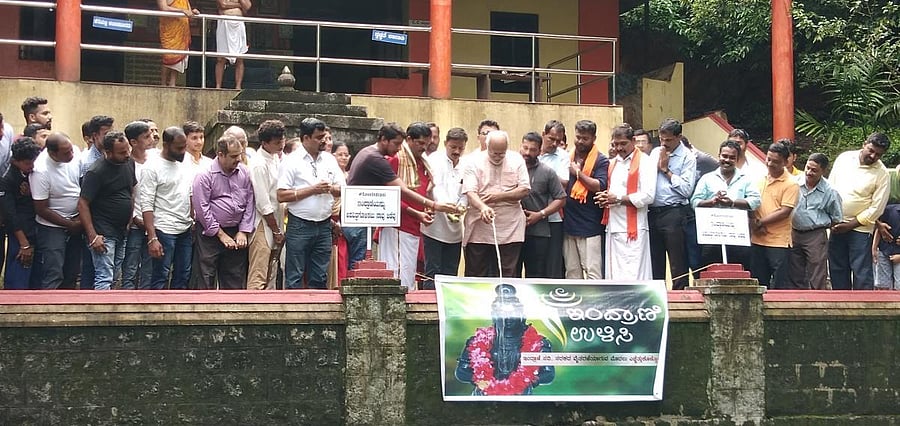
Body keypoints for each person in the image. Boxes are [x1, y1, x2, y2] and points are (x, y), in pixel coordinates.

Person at [276, 118, 345, 289]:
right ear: (305, 138)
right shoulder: (291, 160)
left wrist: (330, 188)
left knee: (320, 275)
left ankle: (318, 312)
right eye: (319, 137)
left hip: (324, 224)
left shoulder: (329, 159)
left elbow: (343, 189)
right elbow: (281, 195)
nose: (324, 141)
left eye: (324, 136)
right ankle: (294, 312)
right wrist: (313, 189)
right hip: (299, 223)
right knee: (295, 275)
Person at [454, 284, 554, 396]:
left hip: (521, 396)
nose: (508, 318)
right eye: (502, 314)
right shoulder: (477, 341)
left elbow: (548, 373)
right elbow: (461, 372)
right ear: (494, 315)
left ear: (522, 315)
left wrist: (529, 380)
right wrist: (476, 380)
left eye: (513, 313)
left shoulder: (539, 343)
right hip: (485, 396)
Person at [461, 130, 530, 278]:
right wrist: (483, 207)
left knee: (508, 272)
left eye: (502, 153)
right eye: (494, 153)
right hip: (480, 225)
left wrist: (498, 197)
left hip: (510, 226)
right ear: (487, 146)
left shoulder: (517, 159)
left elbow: (524, 189)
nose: (498, 157)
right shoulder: (474, 161)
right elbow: (470, 191)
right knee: (476, 271)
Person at [829, 132, 891, 290]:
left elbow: (877, 208)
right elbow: (831, 188)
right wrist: (832, 219)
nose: (873, 156)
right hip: (836, 223)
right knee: (837, 268)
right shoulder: (844, 158)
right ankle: (839, 307)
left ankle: (863, 309)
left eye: (878, 154)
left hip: (860, 228)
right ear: (864, 144)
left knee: (861, 271)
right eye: (871, 150)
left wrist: (850, 225)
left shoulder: (882, 173)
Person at [193, 135, 256, 290]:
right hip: (210, 233)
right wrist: (220, 234)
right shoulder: (205, 175)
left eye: (241, 154)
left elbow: (250, 203)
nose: (239, 159)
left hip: (236, 231)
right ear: (220, 155)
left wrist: (243, 231)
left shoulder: (244, 172)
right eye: (234, 156)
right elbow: (202, 208)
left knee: (235, 278)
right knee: (206, 276)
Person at [78, 131, 136, 291]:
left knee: (115, 276)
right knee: (104, 276)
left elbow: (130, 191)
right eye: (122, 152)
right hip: (103, 232)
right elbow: (82, 203)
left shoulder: (129, 163)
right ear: (108, 152)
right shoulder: (96, 171)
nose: (127, 155)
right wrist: (92, 235)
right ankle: (100, 313)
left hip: (122, 230)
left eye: (128, 150)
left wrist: (129, 220)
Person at [597, 123, 656, 280]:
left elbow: (648, 196)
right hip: (614, 226)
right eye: (615, 144)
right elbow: (611, 192)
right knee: (614, 273)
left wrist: (616, 199)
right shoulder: (612, 163)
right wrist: (605, 199)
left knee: (635, 273)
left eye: (623, 143)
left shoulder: (645, 161)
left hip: (635, 228)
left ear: (633, 141)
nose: (619, 148)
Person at [380, 122, 434, 291]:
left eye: (427, 144)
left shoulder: (422, 163)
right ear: (409, 140)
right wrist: (416, 212)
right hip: (398, 224)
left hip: (414, 225)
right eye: (420, 143)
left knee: (409, 273)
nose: (424, 148)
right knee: (397, 273)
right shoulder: (396, 159)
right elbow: (390, 195)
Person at [690, 140, 761, 267]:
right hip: (712, 235)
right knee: (711, 271)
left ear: (738, 159)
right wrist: (712, 201)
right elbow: (694, 202)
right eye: (724, 156)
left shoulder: (745, 179)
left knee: (738, 271)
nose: (727, 160)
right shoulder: (707, 178)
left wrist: (733, 203)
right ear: (719, 155)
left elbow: (755, 201)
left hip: (737, 236)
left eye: (732, 157)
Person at [140, 127, 195, 290]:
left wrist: (193, 219)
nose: (183, 151)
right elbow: (146, 204)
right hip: (163, 229)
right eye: (179, 147)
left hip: (185, 228)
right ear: (166, 144)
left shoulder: (186, 162)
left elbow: (189, 193)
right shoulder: (152, 167)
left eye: (184, 146)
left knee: (183, 274)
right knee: (160, 276)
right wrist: (152, 238)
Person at [30, 132, 83, 289]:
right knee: (53, 272)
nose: (71, 154)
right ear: (52, 153)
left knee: (72, 271)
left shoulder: (74, 154)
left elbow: (80, 183)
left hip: (76, 221)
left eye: (71, 149)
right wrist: (68, 224)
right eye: (66, 153)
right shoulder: (41, 170)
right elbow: (41, 208)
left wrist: (79, 219)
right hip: (52, 227)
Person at [648, 119, 696, 289]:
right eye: (662, 139)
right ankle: (656, 296)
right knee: (654, 259)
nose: (664, 143)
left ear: (678, 137)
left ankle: (679, 296)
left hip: (674, 212)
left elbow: (686, 190)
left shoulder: (688, 157)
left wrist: (666, 170)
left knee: (677, 260)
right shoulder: (655, 153)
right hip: (652, 211)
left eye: (668, 140)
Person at [748, 142, 799, 289]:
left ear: (785, 162)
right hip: (757, 238)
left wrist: (760, 223)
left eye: (775, 161)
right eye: (768, 159)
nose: (770, 164)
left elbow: (785, 211)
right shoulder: (759, 177)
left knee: (779, 284)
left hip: (778, 241)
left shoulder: (791, 183)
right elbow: (752, 202)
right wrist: (754, 223)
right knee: (758, 282)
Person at [788, 153, 842, 289]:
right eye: (808, 168)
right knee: (794, 270)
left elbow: (837, 217)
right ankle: (796, 302)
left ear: (823, 171)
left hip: (815, 234)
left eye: (814, 170)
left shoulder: (830, 191)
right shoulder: (793, 182)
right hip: (793, 231)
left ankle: (818, 302)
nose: (809, 172)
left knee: (817, 272)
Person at [422, 128, 467, 289]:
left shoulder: (466, 164)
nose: (456, 151)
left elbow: (467, 191)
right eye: (453, 147)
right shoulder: (435, 160)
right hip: (435, 227)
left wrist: (461, 205)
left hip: (455, 230)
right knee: (432, 271)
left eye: (460, 148)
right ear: (445, 144)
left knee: (451, 272)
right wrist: (446, 206)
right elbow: (435, 187)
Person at [563, 120, 609, 279]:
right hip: (569, 224)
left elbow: (599, 185)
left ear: (594, 138)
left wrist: (578, 173)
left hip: (590, 226)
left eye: (585, 138)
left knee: (592, 272)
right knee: (572, 272)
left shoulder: (601, 160)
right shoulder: (567, 156)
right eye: (578, 137)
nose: (580, 141)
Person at [516, 132, 565, 278]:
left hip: (538, 234)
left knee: (536, 277)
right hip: (513, 233)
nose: (527, 153)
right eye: (525, 148)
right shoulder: (511, 169)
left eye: (532, 150)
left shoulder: (547, 172)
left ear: (539, 151)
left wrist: (540, 214)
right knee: (511, 275)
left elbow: (561, 199)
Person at [247, 120, 286, 290]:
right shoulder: (258, 164)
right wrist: (276, 229)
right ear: (264, 143)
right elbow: (263, 202)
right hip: (262, 222)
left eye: (282, 140)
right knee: (259, 272)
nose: (281, 145)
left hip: (277, 219)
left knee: (272, 272)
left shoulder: (277, 159)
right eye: (277, 142)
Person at [0, 138, 43, 289]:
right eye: (27, 163)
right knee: (19, 281)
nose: (31, 167)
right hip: (21, 236)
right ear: (15, 161)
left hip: (34, 230)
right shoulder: (7, 179)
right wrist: (24, 244)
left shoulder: (29, 174)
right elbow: (10, 215)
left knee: (35, 282)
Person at [122, 121, 157, 290]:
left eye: (151, 135)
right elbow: (128, 194)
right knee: (131, 265)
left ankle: (146, 298)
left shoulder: (156, 159)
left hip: (154, 222)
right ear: (133, 142)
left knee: (149, 267)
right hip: (135, 222)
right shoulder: (127, 163)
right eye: (146, 137)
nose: (151, 139)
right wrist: (135, 218)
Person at [538, 120, 569, 279]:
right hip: (531, 216)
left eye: (558, 140)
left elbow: (563, 182)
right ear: (543, 135)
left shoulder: (563, 156)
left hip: (554, 217)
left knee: (553, 263)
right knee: (535, 263)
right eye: (551, 139)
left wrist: (542, 174)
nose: (555, 143)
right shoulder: (531, 153)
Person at [157, 0, 199, 86]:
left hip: (182, 30)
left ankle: (173, 83)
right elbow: (164, 8)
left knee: (178, 56)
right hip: (169, 29)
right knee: (168, 56)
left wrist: (193, 12)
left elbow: (189, 14)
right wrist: (181, 10)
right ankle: (163, 84)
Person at [214, 0, 251, 90]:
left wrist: (240, 3)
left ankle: (238, 86)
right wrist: (239, 5)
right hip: (224, 24)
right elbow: (223, 4)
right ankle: (218, 86)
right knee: (221, 58)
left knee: (240, 58)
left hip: (238, 25)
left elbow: (247, 6)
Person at [873, 203, 900, 290]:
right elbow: (880, 228)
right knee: (882, 284)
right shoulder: (889, 210)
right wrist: (874, 248)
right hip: (884, 251)